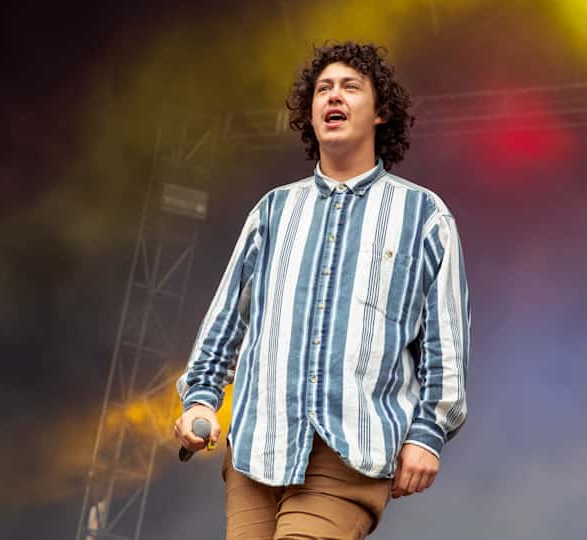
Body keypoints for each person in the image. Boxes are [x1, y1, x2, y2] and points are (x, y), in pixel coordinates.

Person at [175, 41, 470, 539]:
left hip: (348, 454)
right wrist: (200, 399)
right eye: (322, 89)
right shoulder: (273, 211)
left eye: (350, 87)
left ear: (381, 113)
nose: (333, 95)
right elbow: (225, 322)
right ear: (309, 114)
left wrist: (427, 434)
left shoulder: (424, 216)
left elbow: (446, 344)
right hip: (257, 451)